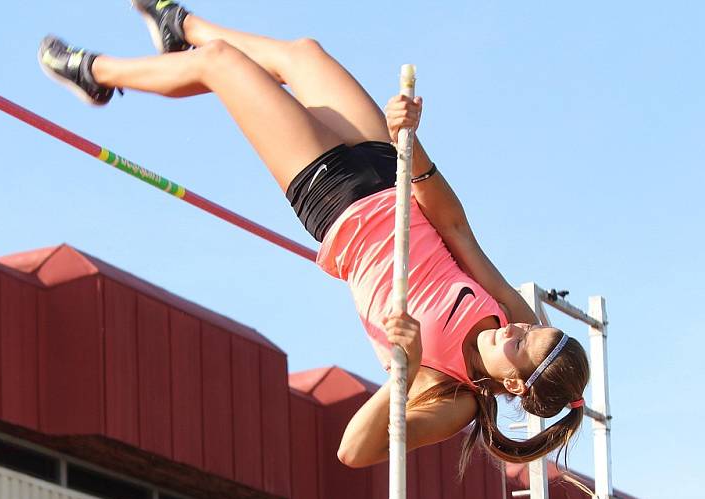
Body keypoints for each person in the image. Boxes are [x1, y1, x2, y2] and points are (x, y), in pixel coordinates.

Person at [38, 0, 590, 473]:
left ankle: (95, 72)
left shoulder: (454, 402)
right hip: (394, 178)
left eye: (520, 343)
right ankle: (179, 27)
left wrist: (407, 364)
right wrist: (412, 144)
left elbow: (355, 451)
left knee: (221, 66)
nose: (517, 327)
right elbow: (454, 227)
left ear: (514, 386)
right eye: (528, 327)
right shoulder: (509, 312)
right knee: (305, 53)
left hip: (337, 203)